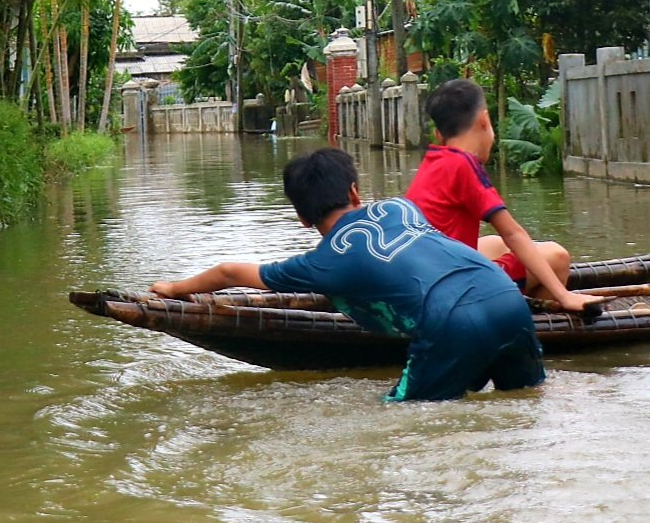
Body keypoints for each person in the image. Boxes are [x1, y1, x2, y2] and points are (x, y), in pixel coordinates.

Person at [150, 147, 546, 402]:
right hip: (506, 299)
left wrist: (173, 288)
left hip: (450, 324)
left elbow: (228, 271)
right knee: (524, 403)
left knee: (402, 418)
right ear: (356, 192)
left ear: (302, 219)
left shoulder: (322, 264)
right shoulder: (401, 209)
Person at [404, 78, 604, 314]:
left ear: (438, 135)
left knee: (496, 245)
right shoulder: (463, 164)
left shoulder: (435, 159)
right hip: (452, 292)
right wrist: (566, 295)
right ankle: (531, 319)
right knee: (557, 256)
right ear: (484, 120)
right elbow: (513, 233)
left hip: (424, 279)